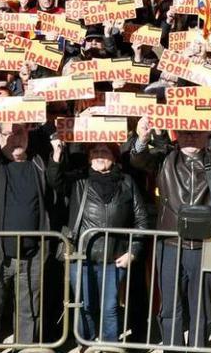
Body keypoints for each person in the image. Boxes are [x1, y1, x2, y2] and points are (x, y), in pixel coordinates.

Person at [130, 117, 211, 347]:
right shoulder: (165, 158)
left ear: (206, 133)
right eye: (185, 132)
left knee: (202, 307)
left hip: (207, 246)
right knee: (171, 306)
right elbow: (139, 159)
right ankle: (172, 347)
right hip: (171, 244)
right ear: (176, 135)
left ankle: (198, 348)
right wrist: (142, 138)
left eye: (196, 132)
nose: (190, 136)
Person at [0, 111, 63, 344]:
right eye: (6, 133)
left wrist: (57, 155)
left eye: (18, 131)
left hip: (32, 256)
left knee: (29, 313)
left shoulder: (39, 163)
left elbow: (57, 188)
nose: (13, 138)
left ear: (27, 132)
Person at [66, 143, 149, 343]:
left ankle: (110, 346)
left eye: (105, 151)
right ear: (87, 158)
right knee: (84, 305)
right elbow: (54, 178)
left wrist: (133, 251)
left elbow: (142, 221)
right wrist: (60, 150)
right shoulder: (78, 181)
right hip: (82, 257)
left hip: (114, 258)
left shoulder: (127, 182)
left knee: (110, 308)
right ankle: (85, 343)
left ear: (114, 157)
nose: (99, 155)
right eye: (94, 152)